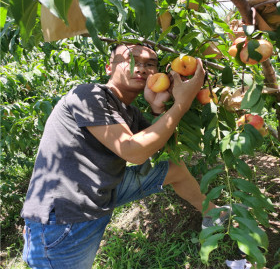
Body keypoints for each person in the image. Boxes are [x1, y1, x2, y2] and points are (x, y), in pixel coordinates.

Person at [21, 44, 226, 269]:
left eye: (150, 64)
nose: (141, 68)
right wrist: (182, 103)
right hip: (65, 216)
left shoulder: (129, 112)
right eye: (132, 60)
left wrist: (158, 108)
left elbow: (163, 147)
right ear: (109, 67)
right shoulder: (88, 95)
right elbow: (133, 151)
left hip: (101, 192)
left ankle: (214, 214)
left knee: (173, 167)